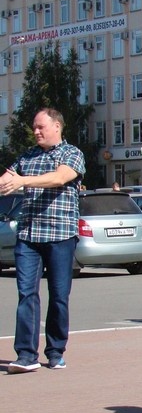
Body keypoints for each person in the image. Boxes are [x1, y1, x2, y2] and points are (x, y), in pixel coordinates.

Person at [0, 108, 86, 373]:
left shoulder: (71, 153)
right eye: (34, 128)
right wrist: (7, 181)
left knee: (59, 296)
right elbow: (6, 181)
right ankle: (26, 355)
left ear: (57, 126)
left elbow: (60, 177)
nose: (36, 132)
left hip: (60, 236)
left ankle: (55, 351)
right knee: (26, 294)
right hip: (28, 236)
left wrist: (24, 181)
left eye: (41, 127)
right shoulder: (27, 156)